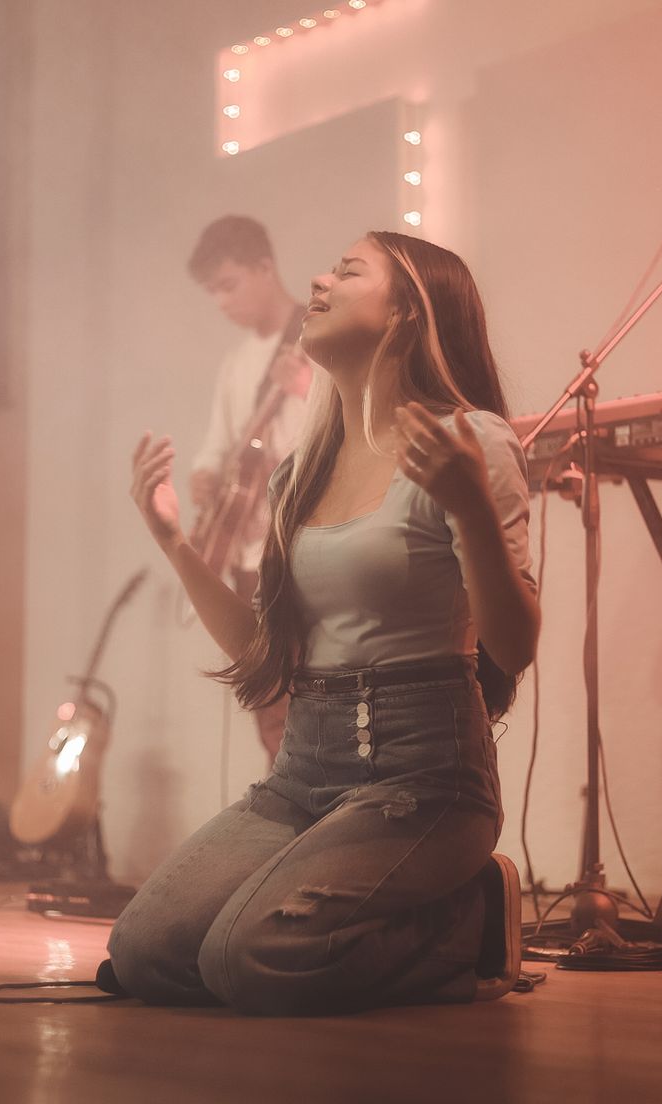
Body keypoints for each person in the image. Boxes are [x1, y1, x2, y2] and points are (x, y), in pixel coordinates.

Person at [106, 231, 540, 1015]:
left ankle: (468, 918)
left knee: (251, 958)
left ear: (407, 313)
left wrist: (473, 505)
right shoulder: (298, 474)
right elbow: (265, 658)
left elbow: (513, 646)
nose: (318, 279)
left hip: (424, 778)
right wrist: (173, 540)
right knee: (143, 952)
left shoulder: (473, 442)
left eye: (347, 271)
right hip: (303, 771)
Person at [187, 215, 312, 765]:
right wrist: (204, 473)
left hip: (299, 544)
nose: (220, 302)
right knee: (265, 696)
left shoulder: (315, 338)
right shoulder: (236, 365)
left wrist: (307, 390)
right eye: (212, 291)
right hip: (245, 552)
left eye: (229, 284)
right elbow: (217, 445)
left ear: (266, 267)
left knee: (306, 693)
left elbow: (344, 432)